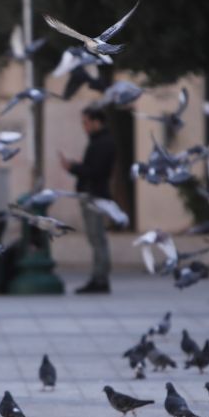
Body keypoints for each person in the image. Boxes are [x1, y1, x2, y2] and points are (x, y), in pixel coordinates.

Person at [59, 105, 117, 295]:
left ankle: (100, 279)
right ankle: (99, 277)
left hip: (95, 196)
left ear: (96, 122)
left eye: (86, 122)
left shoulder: (103, 143)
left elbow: (97, 172)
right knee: (96, 238)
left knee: (97, 238)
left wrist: (74, 168)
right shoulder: (98, 141)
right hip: (93, 194)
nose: (84, 127)